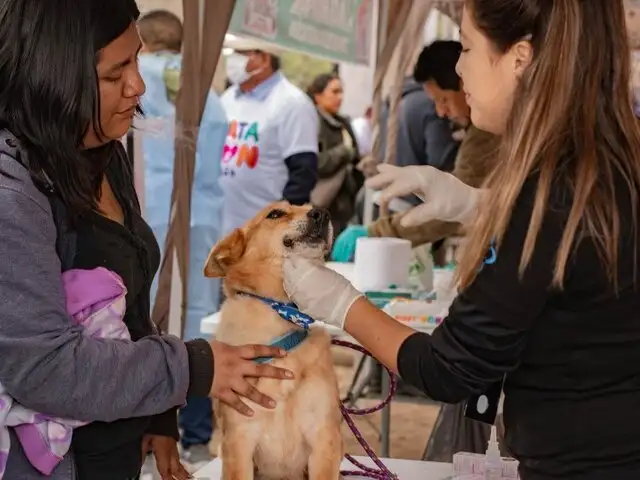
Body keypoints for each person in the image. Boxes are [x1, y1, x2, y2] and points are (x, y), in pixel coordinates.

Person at [283, 1, 640, 479]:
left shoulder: (549, 191)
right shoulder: (610, 164)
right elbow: (580, 245)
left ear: (520, 57)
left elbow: (449, 367)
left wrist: (342, 303)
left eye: (468, 46)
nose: (458, 66)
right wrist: (483, 206)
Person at [0, 2, 292, 479]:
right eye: (117, 73)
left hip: (113, 452)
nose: (138, 85)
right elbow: (45, 368)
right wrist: (191, 368)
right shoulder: (11, 192)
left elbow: (129, 303)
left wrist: (155, 413)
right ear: (54, 76)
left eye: (137, 60)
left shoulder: (104, 154)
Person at [137, 10, 224, 470]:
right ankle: (195, 434)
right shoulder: (209, 92)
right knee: (195, 318)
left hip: (146, 220)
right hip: (202, 221)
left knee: (145, 322)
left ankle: (146, 430)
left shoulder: (135, 82)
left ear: (141, 41)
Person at [332, 40, 498, 264]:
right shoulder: (474, 128)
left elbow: (451, 203)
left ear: (465, 82)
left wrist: (380, 231)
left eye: (443, 100)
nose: (441, 112)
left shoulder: (486, 132)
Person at [220, 38, 319, 234]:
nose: (232, 61)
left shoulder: (293, 104)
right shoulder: (228, 98)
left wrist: (278, 223)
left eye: (241, 53)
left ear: (264, 58)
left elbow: (303, 172)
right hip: (225, 226)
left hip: (264, 232)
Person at [307, 73, 364, 236]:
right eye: (334, 92)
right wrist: (344, 151)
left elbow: (356, 158)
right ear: (318, 96)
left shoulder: (344, 123)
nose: (340, 97)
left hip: (345, 205)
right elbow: (316, 163)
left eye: (341, 92)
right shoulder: (312, 123)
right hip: (321, 206)